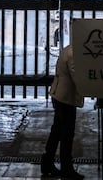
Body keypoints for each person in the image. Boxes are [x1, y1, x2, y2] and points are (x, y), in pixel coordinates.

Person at [41, 45, 85, 180]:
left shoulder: (68, 49)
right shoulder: (73, 53)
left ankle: (47, 163)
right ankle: (67, 168)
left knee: (57, 132)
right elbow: (76, 76)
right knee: (66, 134)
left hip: (60, 96)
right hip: (65, 99)